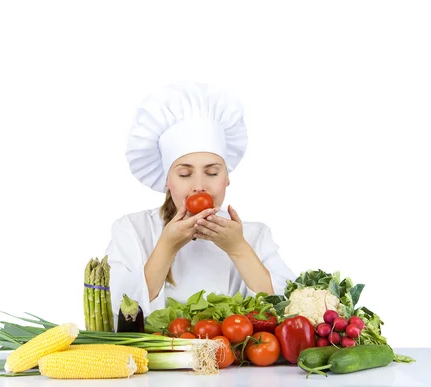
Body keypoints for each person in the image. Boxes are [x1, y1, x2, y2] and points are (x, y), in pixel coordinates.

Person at [105, 82, 296, 323]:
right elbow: (118, 313)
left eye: (212, 172)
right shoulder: (132, 230)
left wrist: (238, 248)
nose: (199, 186)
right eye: (184, 174)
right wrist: (167, 246)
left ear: (227, 178)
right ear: (167, 180)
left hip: (231, 360)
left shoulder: (256, 235)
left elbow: (287, 311)